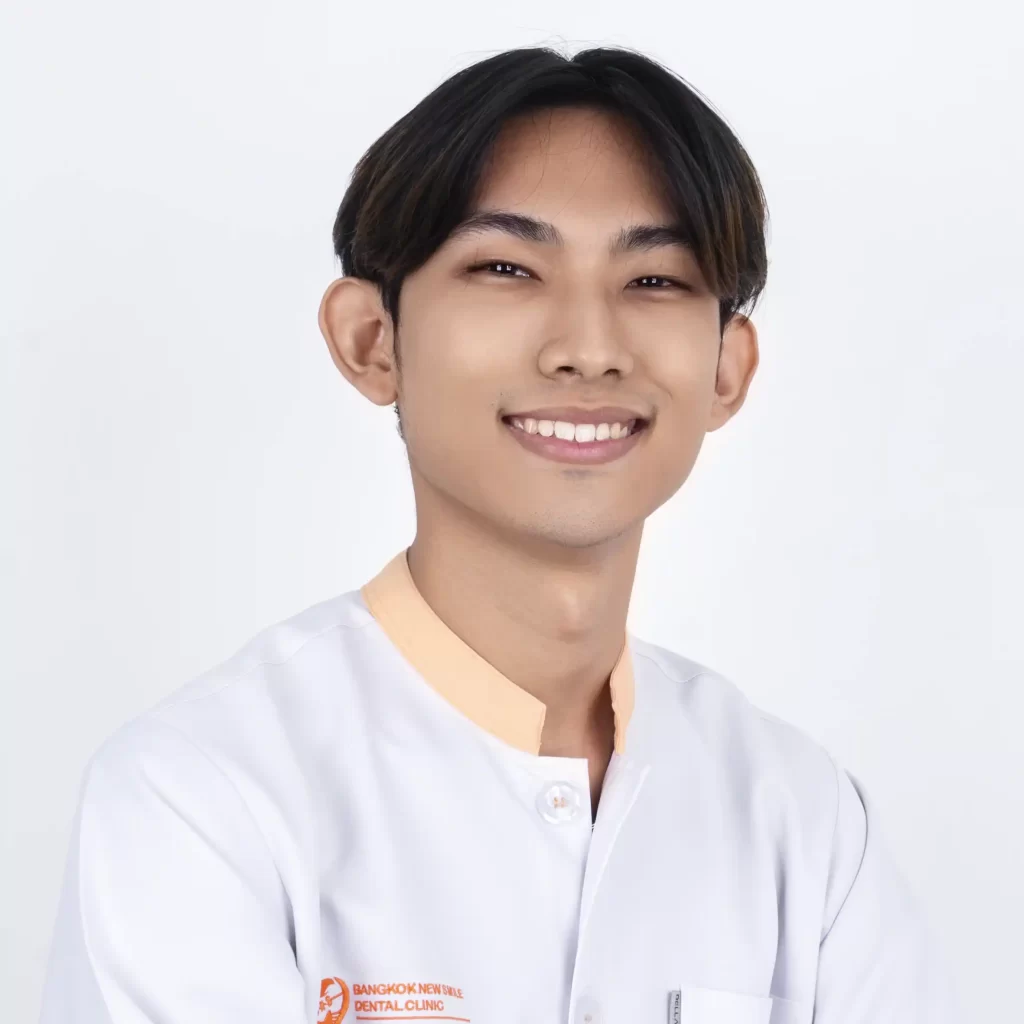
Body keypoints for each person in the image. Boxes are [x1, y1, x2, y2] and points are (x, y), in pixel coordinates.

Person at [39, 45, 958, 1024]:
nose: (588, 348)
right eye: (507, 267)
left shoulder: (803, 822)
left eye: (654, 280)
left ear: (728, 367)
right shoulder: (204, 798)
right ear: (371, 340)